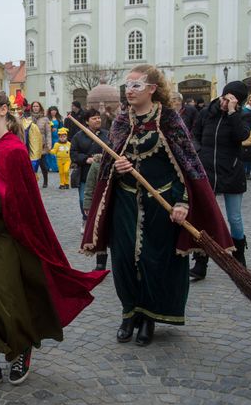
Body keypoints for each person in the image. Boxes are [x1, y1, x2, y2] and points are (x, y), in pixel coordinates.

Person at [0, 88, 107, 394]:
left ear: (3, 110)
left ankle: (20, 350)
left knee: (4, 299)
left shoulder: (13, 150)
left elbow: (0, 200)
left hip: (0, 238)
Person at [81, 64, 233, 346]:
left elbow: (186, 166)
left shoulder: (169, 120)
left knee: (154, 261)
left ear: (152, 89)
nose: (130, 91)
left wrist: (182, 201)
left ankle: (148, 317)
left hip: (160, 204)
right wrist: (118, 165)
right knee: (124, 260)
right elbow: (107, 165)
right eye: (127, 86)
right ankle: (129, 313)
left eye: (136, 85)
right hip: (125, 203)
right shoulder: (121, 122)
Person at [190, 81, 251, 279]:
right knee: (205, 216)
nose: (226, 102)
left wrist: (233, 113)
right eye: (225, 98)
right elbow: (194, 136)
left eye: (231, 100)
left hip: (231, 171)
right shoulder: (206, 112)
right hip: (207, 171)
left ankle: (238, 259)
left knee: (234, 217)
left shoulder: (243, 115)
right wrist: (200, 154)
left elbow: (242, 136)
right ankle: (201, 263)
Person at [70, 108, 110, 231]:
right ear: (87, 121)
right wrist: (86, 159)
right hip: (85, 173)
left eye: (98, 117)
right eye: (94, 118)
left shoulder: (107, 134)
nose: (97, 120)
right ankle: (85, 219)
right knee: (84, 199)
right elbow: (73, 153)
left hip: (103, 173)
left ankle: (100, 223)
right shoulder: (79, 136)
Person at [82, 153, 108, 271]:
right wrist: (87, 203)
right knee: (100, 231)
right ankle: (100, 264)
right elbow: (90, 185)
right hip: (100, 204)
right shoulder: (98, 163)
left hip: (118, 203)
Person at [28, 102, 53, 187]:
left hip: (41, 144)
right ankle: (33, 181)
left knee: (43, 164)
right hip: (31, 143)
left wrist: (49, 145)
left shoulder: (45, 119)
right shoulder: (29, 118)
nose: (35, 108)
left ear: (40, 107)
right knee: (32, 164)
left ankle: (45, 181)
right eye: (34, 106)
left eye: (37, 106)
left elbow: (48, 133)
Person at [45, 106, 63, 172]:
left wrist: (60, 133)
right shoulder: (47, 119)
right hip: (49, 137)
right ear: (50, 111)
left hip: (56, 137)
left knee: (56, 152)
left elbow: (61, 128)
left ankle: (56, 167)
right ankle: (48, 166)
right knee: (49, 151)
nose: (53, 111)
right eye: (52, 110)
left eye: (55, 110)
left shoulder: (59, 119)